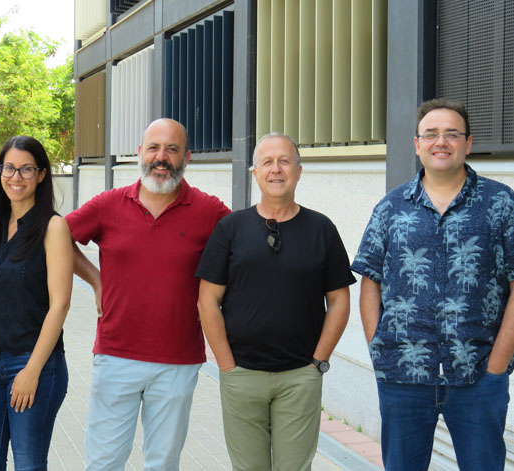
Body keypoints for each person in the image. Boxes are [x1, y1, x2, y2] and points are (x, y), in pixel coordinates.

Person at [351, 98, 514, 470]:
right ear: (417, 144)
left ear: (468, 143)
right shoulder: (391, 207)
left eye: (452, 134)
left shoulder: (501, 203)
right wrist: (380, 349)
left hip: (477, 376)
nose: (441, 142)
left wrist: (498, 365)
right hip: (402, 377)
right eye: (431, 134)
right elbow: (369, 280)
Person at [65, 118, 230, 470]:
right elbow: (58, 237)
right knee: (104, 462)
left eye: (171, 149)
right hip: (115, 354)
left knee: (163, 463)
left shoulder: (210, 211)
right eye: (154, 148)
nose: (161, 157)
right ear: (140, 153)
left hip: (178, 361)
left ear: (187, 157)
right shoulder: (109, 204)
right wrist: (95, 279)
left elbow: (243, 253)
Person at [196, 132, 355, 470]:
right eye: (267, 162)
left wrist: (318, 364)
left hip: (300, 375)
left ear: (298, 171)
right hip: (242, 374)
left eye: (285, 161)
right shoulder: (230, 229)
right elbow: (207, 300)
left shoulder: (321, 229)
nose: (276, 169)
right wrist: (226, 365)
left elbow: (340, 300)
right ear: (255, 173)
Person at [0, 136, 73, 470]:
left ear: (42, 174)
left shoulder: (53, 227)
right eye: (9, 168)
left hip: (33, 363)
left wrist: (31, 370)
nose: (16, 177)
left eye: (26, 169)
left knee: (28, 464)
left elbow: (60, 305)